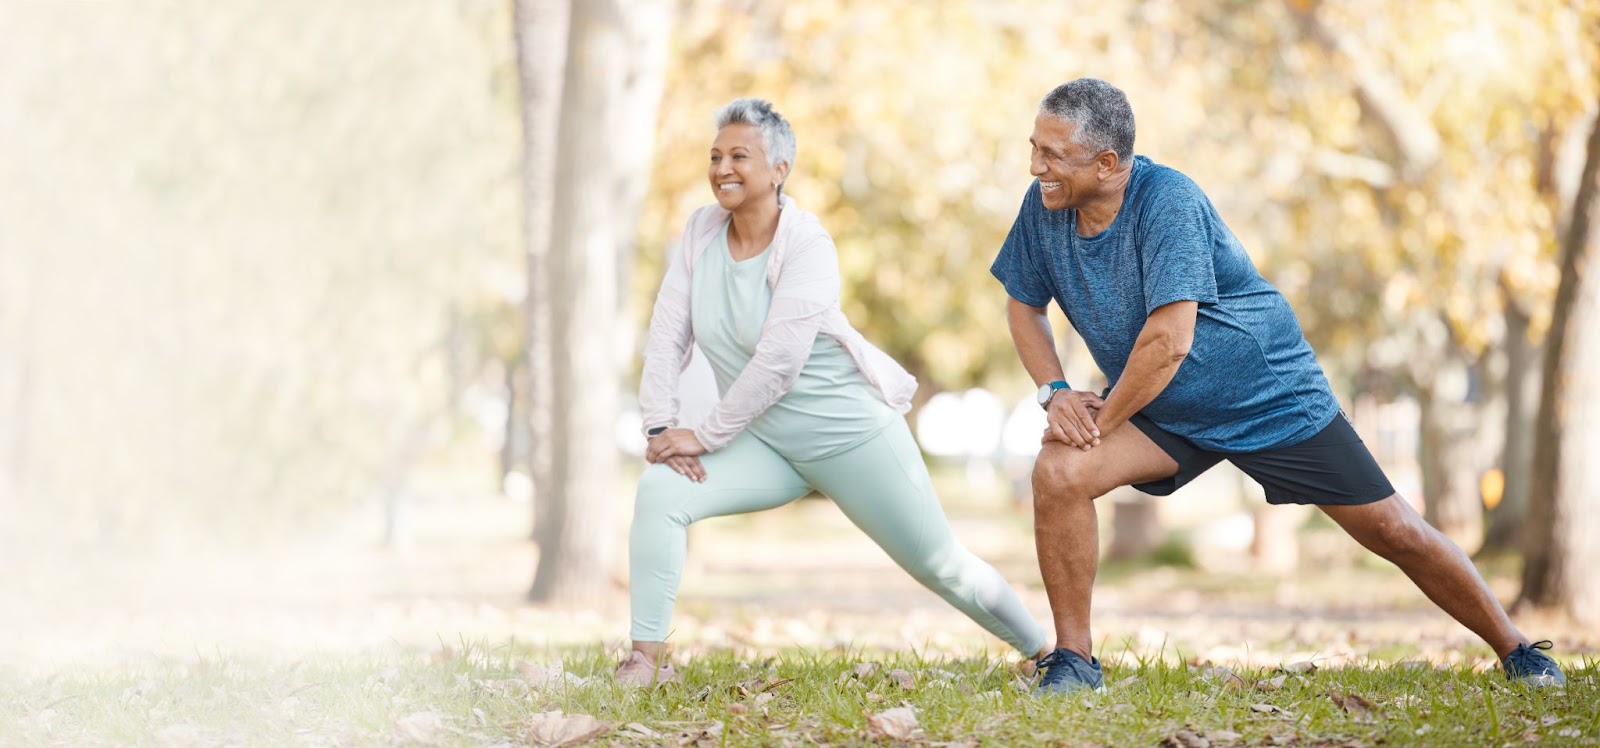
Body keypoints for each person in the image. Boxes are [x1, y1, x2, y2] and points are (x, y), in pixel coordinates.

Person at [990, 78, 1568, 695]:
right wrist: (1055, 392)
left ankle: (1518, 650)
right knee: (1059, 470)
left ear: (1108, 164)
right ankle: (1075, 662)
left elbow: (1170, 340)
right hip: (1161, 402)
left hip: (1262, 394)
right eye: (1035, 149)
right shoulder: (1044, 207)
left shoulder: (1167, 202)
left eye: (1052, 155)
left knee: (1394, 529)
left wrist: (1097, 424)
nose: (1036, 167)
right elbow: (1023, 304)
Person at [621, 97, 1047, 686]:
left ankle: (1048, 652)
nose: (722, 167)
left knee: (941, 564)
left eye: (739, 155)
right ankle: (645, 660)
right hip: (768, 445)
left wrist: (706, 434)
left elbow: (779, 364)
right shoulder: (700, 233)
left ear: (779, 170)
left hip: (851, 437)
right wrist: (659, 427)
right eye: (715, 155)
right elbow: (668, 333)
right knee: (661, 492)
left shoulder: (809, 245)